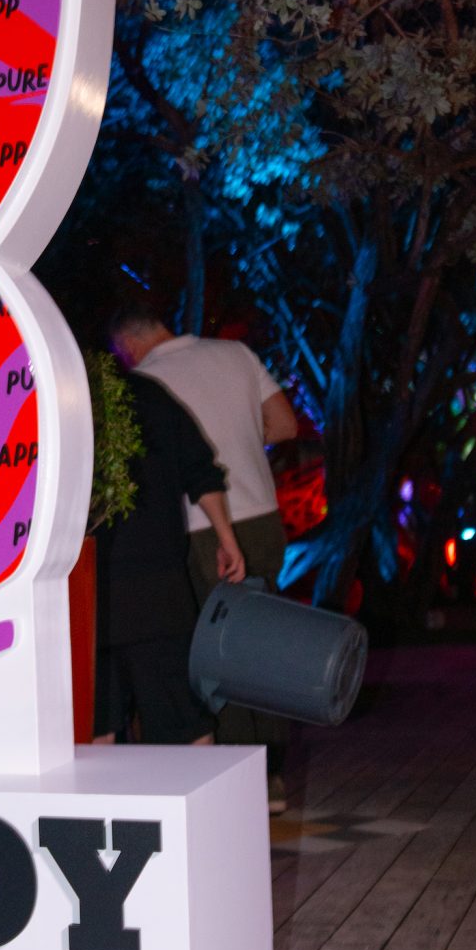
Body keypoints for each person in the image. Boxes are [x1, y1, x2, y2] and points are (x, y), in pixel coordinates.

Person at [108, 304, 300, 804]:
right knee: (262, 642)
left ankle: (237, 778)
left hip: (201, 528)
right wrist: (241, 442)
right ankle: (272, 771)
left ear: (126, 346)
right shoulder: (236, 353)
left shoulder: (144, 383)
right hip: (261, 517)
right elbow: (285, 426)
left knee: (213, 650)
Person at [94, 356, 246, 748]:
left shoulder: (60, 400)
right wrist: (227, 539)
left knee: (96, 725)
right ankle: (206, 792)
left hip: (90, 589)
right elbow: (201, 471)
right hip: (158, 586)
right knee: (183, 718)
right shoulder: (148, 395)